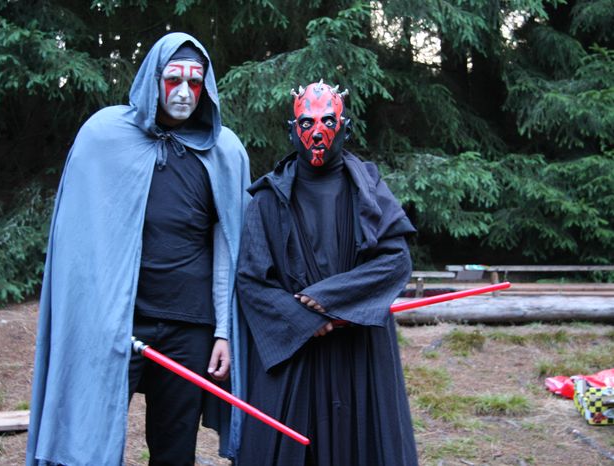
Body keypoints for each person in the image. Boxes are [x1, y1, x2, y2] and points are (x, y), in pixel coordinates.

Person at [26, 33, 250, 465]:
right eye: (173, 79)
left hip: (190, 326)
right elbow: (80, 243)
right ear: (154, 79)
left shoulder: (224, 151)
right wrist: (92, 317)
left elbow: (228, 249)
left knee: (175, 449)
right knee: (88, 440)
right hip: (116, 322)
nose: (184, 92)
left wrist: (223, 331)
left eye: (195, 82)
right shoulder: (105, 137)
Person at [235, 80, 418, 465]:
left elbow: (395, 261)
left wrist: (327, 299)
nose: (317, 132)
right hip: (296, 354)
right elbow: (251, 280)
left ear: (345, 128)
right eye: (306, 123)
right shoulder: (266, 200)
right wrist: (302, 318)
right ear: (291, 130)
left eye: (328, 121)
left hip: (359, 351)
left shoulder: (370, 189)